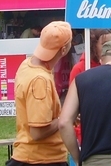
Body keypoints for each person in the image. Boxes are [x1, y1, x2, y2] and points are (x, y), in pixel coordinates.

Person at [7, 21, 73, 166]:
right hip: (42, 159)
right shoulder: (39, 80)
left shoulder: (27, 64)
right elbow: (37, 133)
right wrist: (66, 117)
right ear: (63, 50)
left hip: (30, 157)